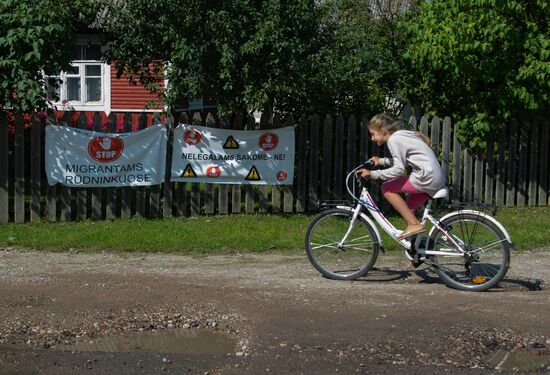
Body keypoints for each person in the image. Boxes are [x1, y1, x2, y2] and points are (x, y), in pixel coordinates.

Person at [357, 113, 446, 241]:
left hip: (426, 177)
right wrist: (380, 161)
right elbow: (402, 161)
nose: (372, 138)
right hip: (435, 177)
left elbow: (399, 170)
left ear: (383, 131)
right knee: (408, 211)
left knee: (387, 188)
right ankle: (415, 255)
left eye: (373, 134)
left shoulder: (394, 140)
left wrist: (373, 174)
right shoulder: (401, 136)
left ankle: (414, 225)